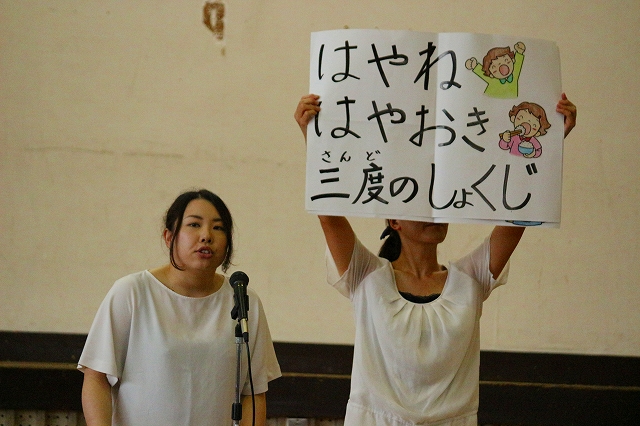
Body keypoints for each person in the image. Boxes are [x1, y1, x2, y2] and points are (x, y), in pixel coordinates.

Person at [294, 94, 576, 425]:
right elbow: (328, 215)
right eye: (417, 201)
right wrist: (314, 136)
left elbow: (519, 216)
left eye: (438, 199)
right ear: (393, 220)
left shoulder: (470, 279)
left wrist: (550, 142)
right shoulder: (366, 276)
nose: (432, 211)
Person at [78, 189, 281, 426]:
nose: (206, 236)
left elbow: (253, 393)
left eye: (218, 228)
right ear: (169, 237)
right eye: (194, 225)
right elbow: (97, 377)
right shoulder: (132, 292)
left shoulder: (244, 300)